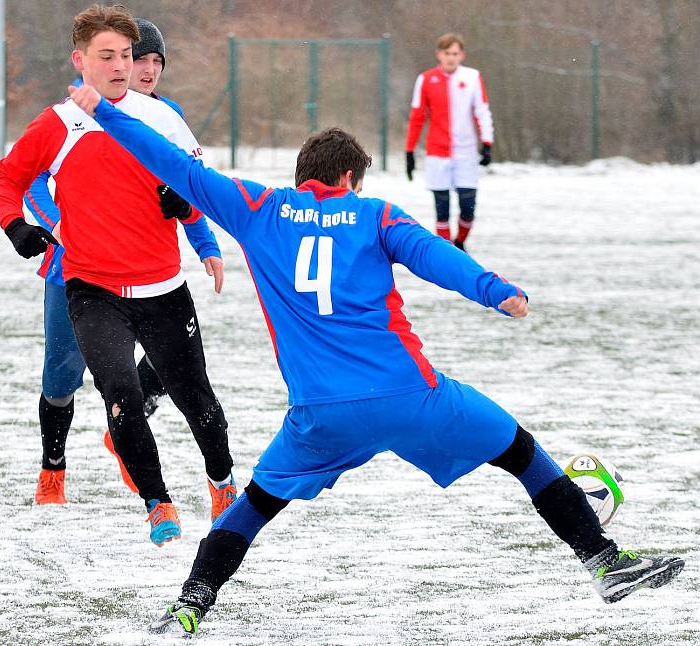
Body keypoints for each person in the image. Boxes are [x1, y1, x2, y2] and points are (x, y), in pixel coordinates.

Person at [69, 85, 684, 636]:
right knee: (519, 452)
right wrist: (495, 290)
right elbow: (434, 255)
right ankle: (602, 561)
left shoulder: (259, 210)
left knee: (256, 506)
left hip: (319, 414)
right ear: (347, 178)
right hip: (409, 395)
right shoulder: (375, 215)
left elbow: (170, 162)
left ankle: (188, 609)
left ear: (304, 174)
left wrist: (104, 113)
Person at [0, 4, 237, 547]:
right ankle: (157, 503)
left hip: (162, 288)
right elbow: (9, 177)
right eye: (110, 56)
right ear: (80, 61)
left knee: (193, 393)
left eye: (128, 56)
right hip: (88, 286)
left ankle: (222, 482)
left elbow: (199, 189)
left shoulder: (163, 119)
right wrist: (17, 227)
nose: (123, 66)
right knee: (118, 392)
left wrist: (188, 205)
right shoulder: (57, 123)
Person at [405, 33, 493, 253]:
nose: (451, 58)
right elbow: (417, 117)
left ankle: (460, 242)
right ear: (439, 55)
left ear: (461, 55)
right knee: (441, 209)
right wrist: (409, 151)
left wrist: (487, 142)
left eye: (455, 53)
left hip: (466, 152)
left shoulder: (472, 77)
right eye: (447, 53)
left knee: (468, 208)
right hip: (437, 153)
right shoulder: (425, 79)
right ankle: (447, 253)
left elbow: (482, 111)